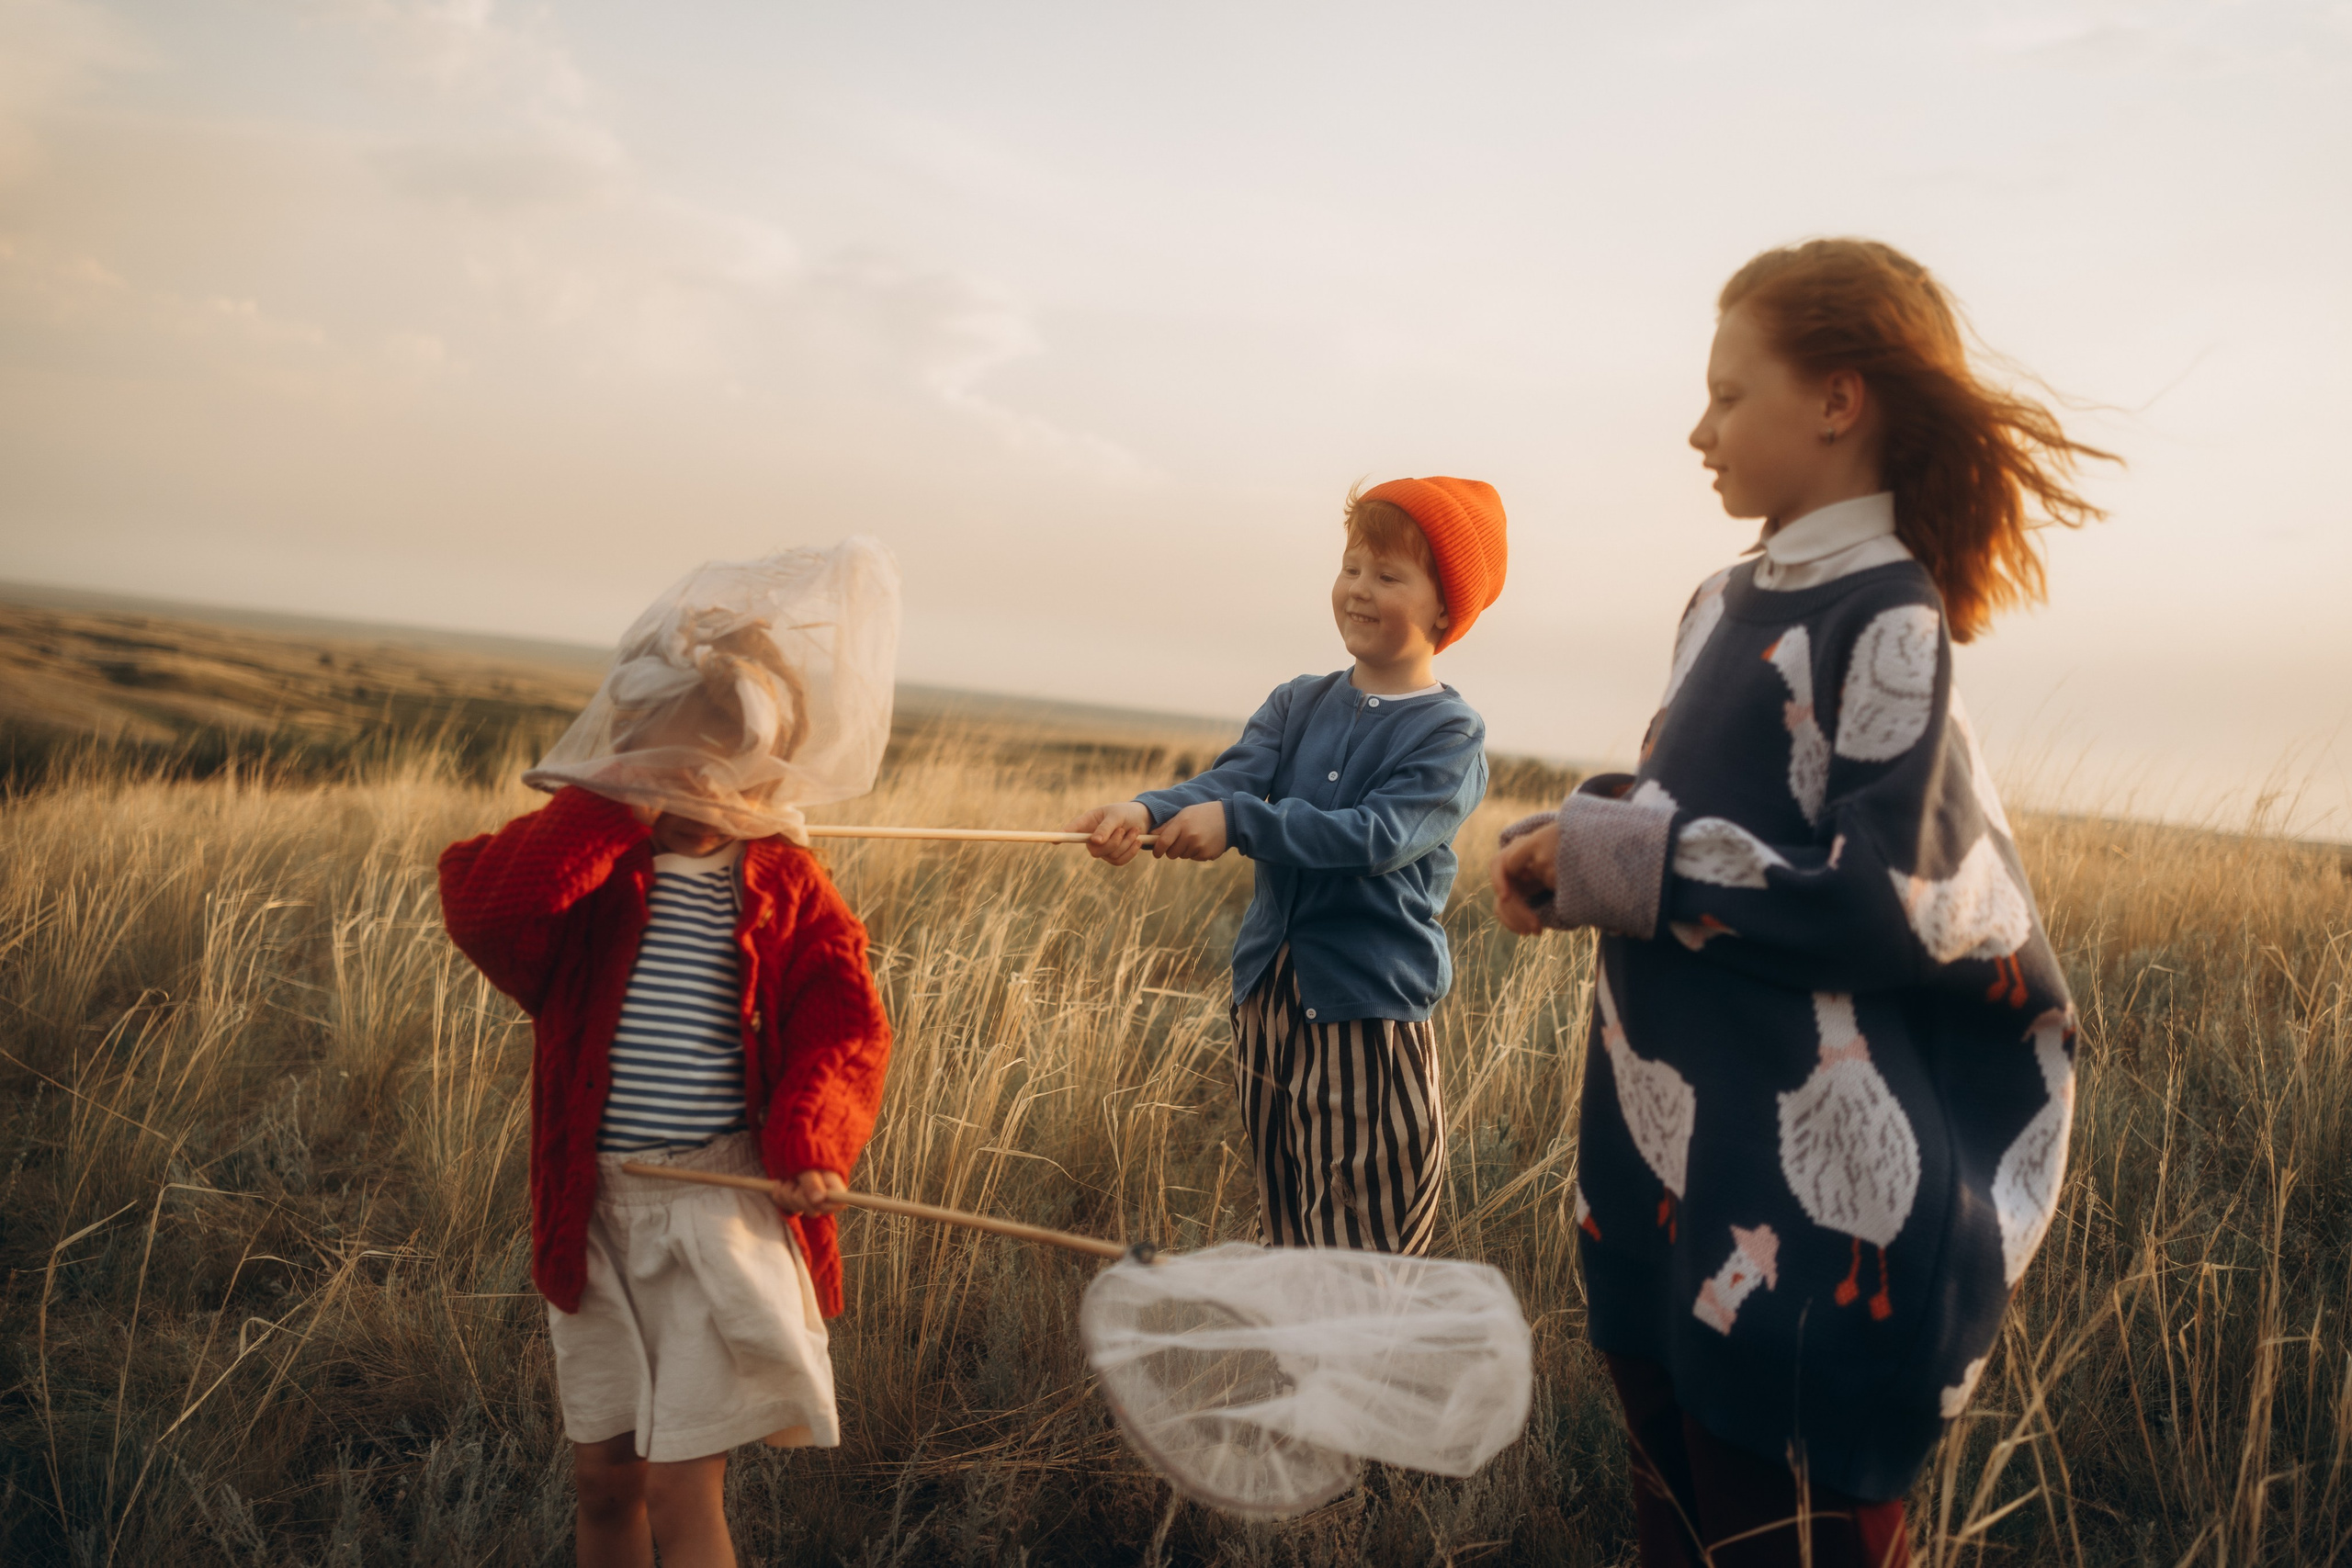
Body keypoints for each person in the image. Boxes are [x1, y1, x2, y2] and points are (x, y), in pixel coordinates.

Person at [1491, 239, 2112, 1568]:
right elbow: (1694, 807)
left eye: (1728, 394)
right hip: (1662, 1179)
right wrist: (1576, 834)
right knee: (1676, 1525)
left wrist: (1619, 859)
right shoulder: (1722, 598)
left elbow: (1893, 900)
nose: (1698, 429)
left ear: (1837, 401)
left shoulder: (1889, 613)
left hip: (1810, 1221)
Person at [438, 661, 891, 1568]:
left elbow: (844, 1029)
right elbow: (486, 910)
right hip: (593, 1210)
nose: (691, 788)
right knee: (605, 1481)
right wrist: (611, 811)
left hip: (714, 1204)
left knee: (682, 1484)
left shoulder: (786, 881)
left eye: (713, 766)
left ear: (765, 770)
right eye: (662, 761)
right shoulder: (593, 870)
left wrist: (811, 1141)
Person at [1070, 477, 1508, 1255]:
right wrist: (1147, 811)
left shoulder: (1451, 733)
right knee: (1290, 1214)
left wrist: (1240, 824)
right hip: (1267, 1000)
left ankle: (1357, 1365)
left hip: (1367, 1011)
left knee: (1366, 1226)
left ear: (1446, 606)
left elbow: (1373, 835)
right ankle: (1302, 1357)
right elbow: (1230, 781)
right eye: (1351, 567)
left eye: (1388, 575)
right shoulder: (1296, 701)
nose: (1358, 590)